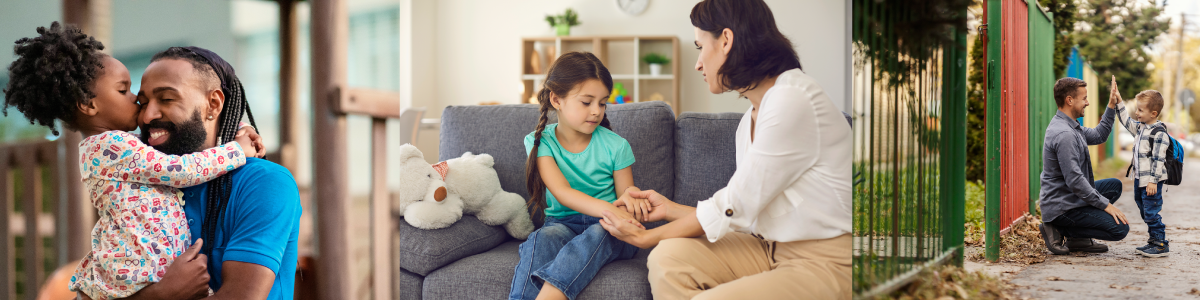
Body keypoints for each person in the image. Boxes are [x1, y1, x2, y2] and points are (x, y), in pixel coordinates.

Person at [596, 0, 852, 298]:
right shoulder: (750, 121)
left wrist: (646, 237)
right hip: (766, 247)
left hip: (827, 260)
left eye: (700, 47)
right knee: (669, 259)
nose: (698, 63)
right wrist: (670, 209)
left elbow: (735, 204)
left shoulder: (793, 100)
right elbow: (743, 215)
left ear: (726, 40)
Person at [1, 22, 265, 300]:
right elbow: (178, 170)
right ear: (89, 105)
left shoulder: (114, 148)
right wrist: (236, 150)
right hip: (142, 263)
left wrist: (233, 131)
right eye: (123, 90)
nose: (138, 103)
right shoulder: (111, 146)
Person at [85, 46, 302, 300]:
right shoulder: (141, 185)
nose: (147, 116)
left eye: (166, 99)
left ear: (214, 104)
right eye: (142, 103)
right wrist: (162, 294)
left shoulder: (263, 183)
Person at [508, 51, 650, 300]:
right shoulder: (541, 143)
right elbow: (562, 192)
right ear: (556, 99)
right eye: (587, 102)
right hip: (562, 224)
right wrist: (609, 209)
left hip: (609, 227)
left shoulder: (616, 145)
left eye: (602, 102)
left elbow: (626, 193)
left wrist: (631, 201)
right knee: (543, 238)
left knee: (599, 232)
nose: (597, 111)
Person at [1038, 77, 1129, 255]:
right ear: (1069, 100)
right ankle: (1059, 228)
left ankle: (1077, 240)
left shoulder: (1071, 126)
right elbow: (1075, 180)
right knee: (1119, 229)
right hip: (1062, 206)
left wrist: (1111, 105)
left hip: (1069, 197)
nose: (1087, 103)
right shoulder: (1064, 134)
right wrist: (1106, 206)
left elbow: (1099, 135)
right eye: (1084, 98)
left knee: (1114, 186)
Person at [1111, 78, 1171, 257]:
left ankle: (1160, 244)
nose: (1136, 113)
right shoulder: (1141, 128)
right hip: (1140, 180)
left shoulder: (1159, 133)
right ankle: (1153, 240)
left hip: (1151, 182)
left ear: (1153, 113)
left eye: (1140, 110)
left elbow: (1159, 160)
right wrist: (1119, 101)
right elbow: (1125, 120)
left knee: (1151, 212)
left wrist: (1153, 181)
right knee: (1145, 210)